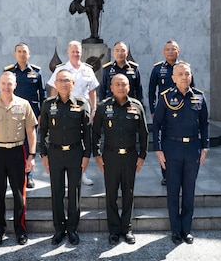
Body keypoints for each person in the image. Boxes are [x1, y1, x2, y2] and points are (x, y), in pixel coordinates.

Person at [0, 71, 38, 247]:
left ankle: (20, 230)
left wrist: (32, 155)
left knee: (19, 194)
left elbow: (31, 132)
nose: (6, 87)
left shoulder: (24, 104)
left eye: (9, 83)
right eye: (3, 83)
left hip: (17, 152)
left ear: (15, 85)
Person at [152, 62, 209, 245]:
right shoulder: (166, 98)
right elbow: (157, 125)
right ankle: (175, 230)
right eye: (181, 74)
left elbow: (204, 124)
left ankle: (186, 229)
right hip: (172, 149)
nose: (185, 77)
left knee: (189, 191)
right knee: (173, 190)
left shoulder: (199, 97)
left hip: (192, 148)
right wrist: (158, 149)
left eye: (187, 74)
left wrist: (205, 147)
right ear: (173, 78)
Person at [92, 74, 148, 245]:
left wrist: (142, 156)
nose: (121, 87)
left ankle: (127, 228)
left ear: (129, 87)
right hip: (110, 156)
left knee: (128, 193)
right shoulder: (103, 107)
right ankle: (114, 230)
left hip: (130, 156)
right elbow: (94, 134)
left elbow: (144, 133)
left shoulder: (137, 106)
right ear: (111, 87)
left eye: (124, 84)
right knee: (111, 194)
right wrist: (97, 156)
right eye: (118, 84)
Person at [40, 69, 91, 245]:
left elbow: (87, 133)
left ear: (73, 83)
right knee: (57, 192)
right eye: (60, 80)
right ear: (55, 83)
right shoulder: (47, 104)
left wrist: (86, 155)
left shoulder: (82, 104)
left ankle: (72, 229)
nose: (63, 83)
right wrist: (43, 153)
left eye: (67, 80)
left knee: (74, 192)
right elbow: (43, 131)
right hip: (54, 153)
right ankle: (59, 229)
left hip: (75, 153)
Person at [48, 40, 99, 186]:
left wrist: (94, 109)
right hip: (64, 112)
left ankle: (82, 172)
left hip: (83, 112)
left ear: (81, 53)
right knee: (66, 141)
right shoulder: (61, 69)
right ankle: (65, 174)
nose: (75, 54)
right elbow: (53, 90)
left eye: (78, 52)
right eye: (73, 51)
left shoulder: (87, 70)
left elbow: (92, 91)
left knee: (83, 143)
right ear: (68, 53)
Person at [148, 40, 194, 186]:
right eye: (167, 49)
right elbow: (151, 91)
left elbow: (193, 91)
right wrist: (153, 110)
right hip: (164, 112)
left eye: (173, 49)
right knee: (165, 143)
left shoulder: (185, 68)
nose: (170, 52)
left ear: (178, 52)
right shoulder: (157, 69)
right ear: (163, 52)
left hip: (182, 111)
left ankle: (182, 173)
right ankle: (166, 174)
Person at [4, 42, 46, 189]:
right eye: (19, 51)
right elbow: (4, 92)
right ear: (15, 54)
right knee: (15, 145)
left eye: (25, 52)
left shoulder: (37, 72)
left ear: (29, 54)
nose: (22, 54)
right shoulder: (9, 72)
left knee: (30, 145)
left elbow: (42, 94)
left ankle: (29, 176)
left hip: (32, 114)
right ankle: (17, 175)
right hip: (14, 114)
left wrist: (41, 114)